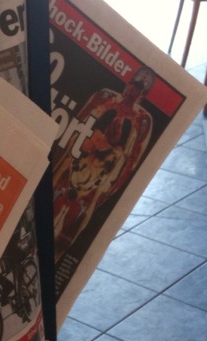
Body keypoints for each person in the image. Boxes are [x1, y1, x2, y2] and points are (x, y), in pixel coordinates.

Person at [52, 67, 153, 260]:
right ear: (127, 84)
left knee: (76, 218)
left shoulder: (141, 120)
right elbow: (79, 122)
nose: (134, 89)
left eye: (140, 88)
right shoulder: (105, 98)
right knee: (55, 194)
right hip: (79, 158)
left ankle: (55, 258)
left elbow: (132, 160)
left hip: (101, 173)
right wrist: (63, 156)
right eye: (134, 84)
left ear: (143, 94)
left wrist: (111, 188)